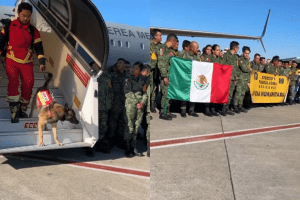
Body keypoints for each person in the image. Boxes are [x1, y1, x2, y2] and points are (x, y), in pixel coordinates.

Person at [0, 2, 46, 123]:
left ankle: (23, 109)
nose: (26, 18)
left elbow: (39, 47)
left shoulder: (33, 30)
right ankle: (14, 111)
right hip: (11, 59)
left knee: (29, 84)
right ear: (18, 14)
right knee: (13, 83)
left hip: (27, 60)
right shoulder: (9, 26)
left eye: (28, 16)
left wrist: (41, 62)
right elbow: (1, 42)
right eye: (24, 15)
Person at [123, 62, 148, 157]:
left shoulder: (143, 79)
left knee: (137, 126)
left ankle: (134, 147)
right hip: (131, 105)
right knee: (129, 126)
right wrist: (136, 102)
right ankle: (127, 148)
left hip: (140, 106)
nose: (134, 70)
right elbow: (127, 92)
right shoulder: (128, 78)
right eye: (134, 68)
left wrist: (142, 102)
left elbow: (145, 92)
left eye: (136, 68)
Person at [157, 33, 178, 120]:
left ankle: (168, 110)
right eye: (175, 42)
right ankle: (163, 112)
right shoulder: (162, 48)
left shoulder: (170, 50)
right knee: (165, 95)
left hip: (170, 76)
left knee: (169, 94)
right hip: (165, 76)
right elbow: (161, 63)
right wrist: (164, 76)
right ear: (172, 41)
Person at [107, 58, 127, 148]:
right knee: (112, 122)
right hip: (115, 102)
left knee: (123, 122)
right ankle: (111, 140)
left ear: (124, 65)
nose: (118, 64)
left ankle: (120, 140)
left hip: (124, 103)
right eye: (117, 63)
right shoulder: (112, 75)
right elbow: (109, 88)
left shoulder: (128, 76)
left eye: (120, 63)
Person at [180, 41, 201, 118]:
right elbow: (181, 65)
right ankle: (183, 110)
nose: (198, 49)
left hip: (194, 79)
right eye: (197, 47)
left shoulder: (197, 56)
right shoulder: (184, 55)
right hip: (186, 78)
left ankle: (191, 110)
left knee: (193, 94)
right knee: (184, 94)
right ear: (192, 48)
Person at [221, 41, 240, 116]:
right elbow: (223, 66)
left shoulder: (236, 57)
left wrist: (236, 77)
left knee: (230, 94)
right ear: (235, 48)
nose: (238, 49)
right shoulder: (226, 55)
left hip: (233, 78)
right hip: (226, 78)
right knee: (225, 93)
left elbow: (236, 68)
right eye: (238, 47)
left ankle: (227, 108)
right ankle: (223, 109)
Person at [234, 46, 252, 113]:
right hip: (241, 78)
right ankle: (235, 106)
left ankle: (240, 105)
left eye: (248, 53)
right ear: (243, 52)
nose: (247, 55)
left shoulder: (247, 60)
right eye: (246, 53)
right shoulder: (241, 59)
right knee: (238, 93)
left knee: (242, 94)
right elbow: (244, 68)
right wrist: (249, 70)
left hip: (245, 79)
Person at [150, 29, 162, 113]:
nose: (161, 37)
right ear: (155, 36)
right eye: (160, 35)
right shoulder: (149, 45)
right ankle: (151, 104)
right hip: (151, 70)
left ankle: (154, 102)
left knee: (157, 87)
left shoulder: (161, 46)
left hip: (159, 70)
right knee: (151, 87)